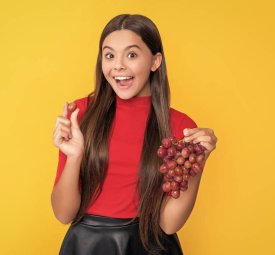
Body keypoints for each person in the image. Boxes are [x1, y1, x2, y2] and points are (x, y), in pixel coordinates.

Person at [51, 14, 218, 255]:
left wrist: (198, 160)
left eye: (131, 55)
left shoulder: (181, 127)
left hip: (149, 247)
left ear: (155, 61)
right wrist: (75, 156)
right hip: (87, 246)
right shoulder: (81, 114)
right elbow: (62, 213)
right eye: (109, 55)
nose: (118, 65)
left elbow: (168, 224)